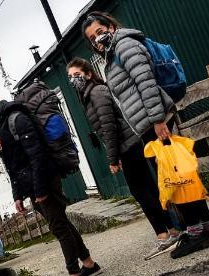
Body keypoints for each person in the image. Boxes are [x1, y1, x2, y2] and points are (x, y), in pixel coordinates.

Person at [82, 12, 209, 258]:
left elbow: (145, 81)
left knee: (173, 178)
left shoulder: (124, 45)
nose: (97, 39)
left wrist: (157, 120)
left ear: (111, 27)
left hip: (155, 123)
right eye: (92, 38)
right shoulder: (114, 54)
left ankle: (195, 232)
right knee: (181, 174)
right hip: (150, 123)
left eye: (99, 32)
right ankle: (206, 226)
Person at [0, 88, 100, 276]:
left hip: (45, 179)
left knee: (58, 227)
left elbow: (37, 155)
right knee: (62, 222)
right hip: (30, 185)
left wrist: (40, 190)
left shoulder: (16, 118)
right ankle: (88, 264)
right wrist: (18, 195)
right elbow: (10, 164)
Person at [66, 57, 180, 256]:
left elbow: (109, 127)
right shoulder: (89, 94)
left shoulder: (96, 92)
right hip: (129, 145)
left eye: (77, 75)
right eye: (70, 77)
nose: (74, 80)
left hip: (128, 146)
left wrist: (112, 158)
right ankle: (171, 229)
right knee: (148, 188)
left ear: (88, 74)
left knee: (142, 191)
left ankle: (165, 234)